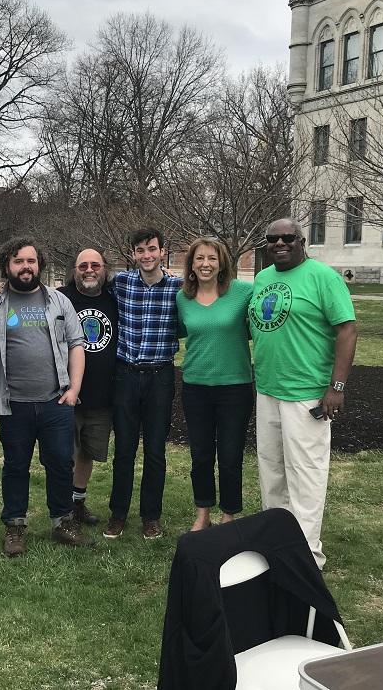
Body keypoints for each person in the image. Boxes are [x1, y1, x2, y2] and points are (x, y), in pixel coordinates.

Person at [248, 218, 357, 569]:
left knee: (305, 474)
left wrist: (336, 387)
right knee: (271, 470)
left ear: (301, 241)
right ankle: (277, 545)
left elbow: (347, 330)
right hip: (268, 389)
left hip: (307, 394)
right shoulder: (262, 278)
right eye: (273, 238)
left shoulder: (323, 277)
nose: (280, 243)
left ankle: (307, 556)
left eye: (287, 237)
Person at [0, 237, 93, 557]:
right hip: (13, 403)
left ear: (39, 265)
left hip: (56, 401)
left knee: (60, 463)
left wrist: (74, 390)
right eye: (18, 261)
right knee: (16, 466)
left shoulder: (58, 301)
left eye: (31, 261)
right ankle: (14, 526)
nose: (26, 267)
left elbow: (76, 344)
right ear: (7, 267)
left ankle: (63, 522)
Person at [104, 227, 183, 540]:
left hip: (160, 376)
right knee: (124, 449)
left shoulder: (178, 287)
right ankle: (118, 514)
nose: (147, 255)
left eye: (152, 249)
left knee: (155, 451)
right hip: (125, 374)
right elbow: (85, 287)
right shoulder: (121, 283)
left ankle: (151, 516)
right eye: (140, 250)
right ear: (133, 254)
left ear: (162, 251)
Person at [176, 237, 254, 532]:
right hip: (195, 386)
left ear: (222, 263)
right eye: (199, 258)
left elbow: (261, 323)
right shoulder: (182, 298)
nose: (205, 264)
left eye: (212, 258)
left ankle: (229, 516)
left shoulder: (243, 292)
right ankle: (202, 514)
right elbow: (182, 331)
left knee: (230, 456)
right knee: (201, 455)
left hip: (234, 387)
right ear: (191, 264)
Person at [57, 249, 118, 526]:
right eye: (83, 266)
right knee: (64, 455)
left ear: (104, 269)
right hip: (65, 393)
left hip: (102, 395)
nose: (89, 270)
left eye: (95, 265)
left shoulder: (114, 299)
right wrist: (2, 288)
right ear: (74, 270)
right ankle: (62, 508)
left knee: (87, 453)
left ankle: (78, 503)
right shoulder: (60, 298)